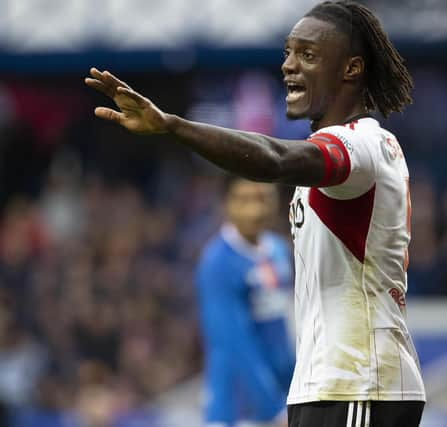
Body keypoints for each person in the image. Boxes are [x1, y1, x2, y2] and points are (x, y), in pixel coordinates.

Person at [85, 1, 426, 425]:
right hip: (330, 383)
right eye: (287, 52)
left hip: (358, 383)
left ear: (351, 69)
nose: (288, 66)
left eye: (308, 54)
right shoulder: (343, 157)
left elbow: (276, 158)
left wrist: (173, 125)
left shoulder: (362, 146)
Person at [196, 177, 294, 427]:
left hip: (282, 396)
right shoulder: (217, 262)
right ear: (227, 204)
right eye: (245, 200)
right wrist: (272, 409)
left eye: (263, 198)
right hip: (236, 407)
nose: (255, 210)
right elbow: (232, 341)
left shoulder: (279, 250)